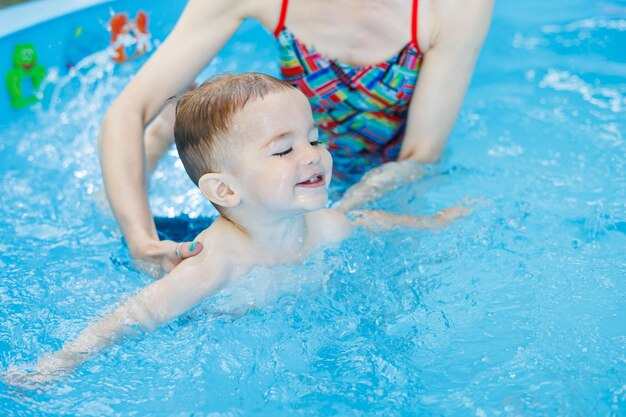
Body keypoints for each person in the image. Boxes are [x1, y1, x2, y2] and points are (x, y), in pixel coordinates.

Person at [7, 73, 472, 387]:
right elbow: (136, 316)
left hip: (247, 216)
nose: (312, 156)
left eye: (313, 138)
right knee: (114, 222)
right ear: (225, 190)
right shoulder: (214, 264)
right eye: (282, 151)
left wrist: (432, 223)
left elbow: (368, 221)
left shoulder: (323, 227)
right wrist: (59, 364)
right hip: (178, 240)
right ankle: (153, 140)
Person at [98, 0, 494, 273]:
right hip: (283, 157)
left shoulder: (454, 8)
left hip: (376, 171)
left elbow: (420, 155)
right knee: (116, 204)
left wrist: (337, 215)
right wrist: (141, 241)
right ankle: (167, 132)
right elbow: (126, 112)